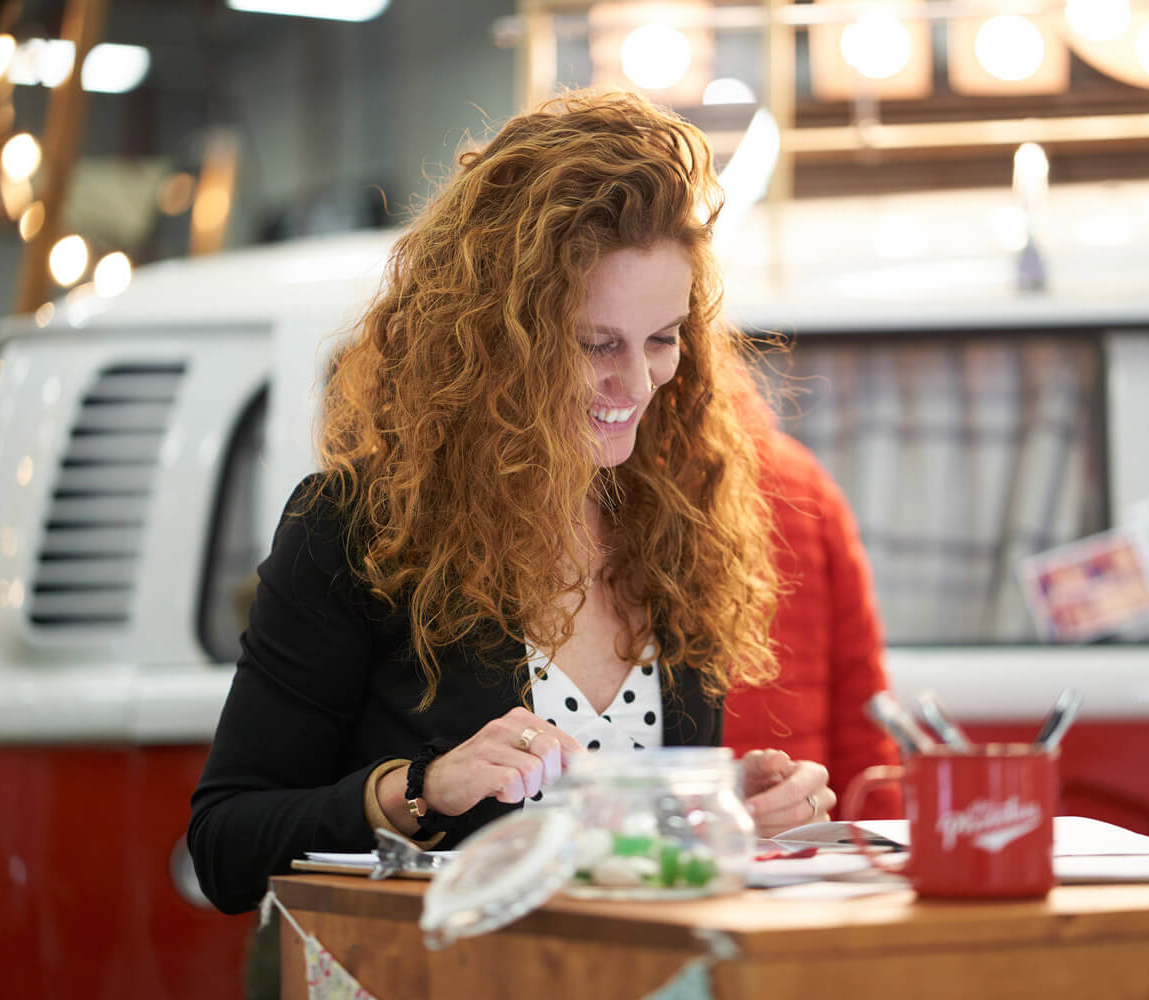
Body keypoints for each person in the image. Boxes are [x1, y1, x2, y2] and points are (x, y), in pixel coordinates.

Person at [188, 90, 836, 916]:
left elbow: (614, 848)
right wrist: (418, 792)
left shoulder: (677, 519)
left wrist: (717, 808)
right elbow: (227, 845)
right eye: (595, 345)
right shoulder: (358, 528)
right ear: (496, 340)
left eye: (663, 339)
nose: (635, 385)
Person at [723, 410, 901, 818]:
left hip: (651, 847)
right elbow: (863, 708)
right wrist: (880, 848)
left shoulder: (595, 481)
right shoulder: (801, 478)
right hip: (797, 833)